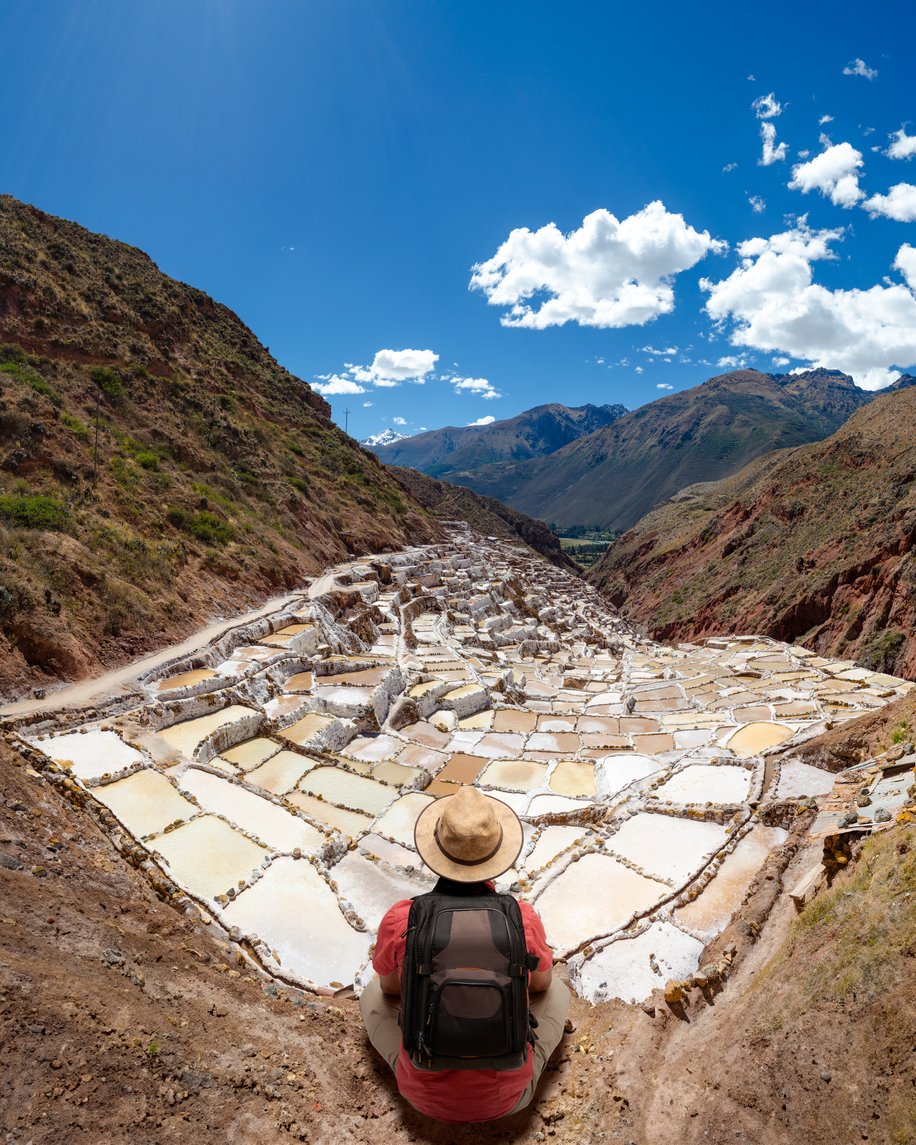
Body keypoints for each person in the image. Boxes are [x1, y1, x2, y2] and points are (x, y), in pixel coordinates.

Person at [359, 785, 571, 1123]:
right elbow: (541, 986)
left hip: (423, 1097)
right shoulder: (521, 917)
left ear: (438, 850)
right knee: (558, 989)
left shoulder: (403, 917)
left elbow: (390, 991)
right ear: (497, 855)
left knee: (372, 993)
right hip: (509, 1099)